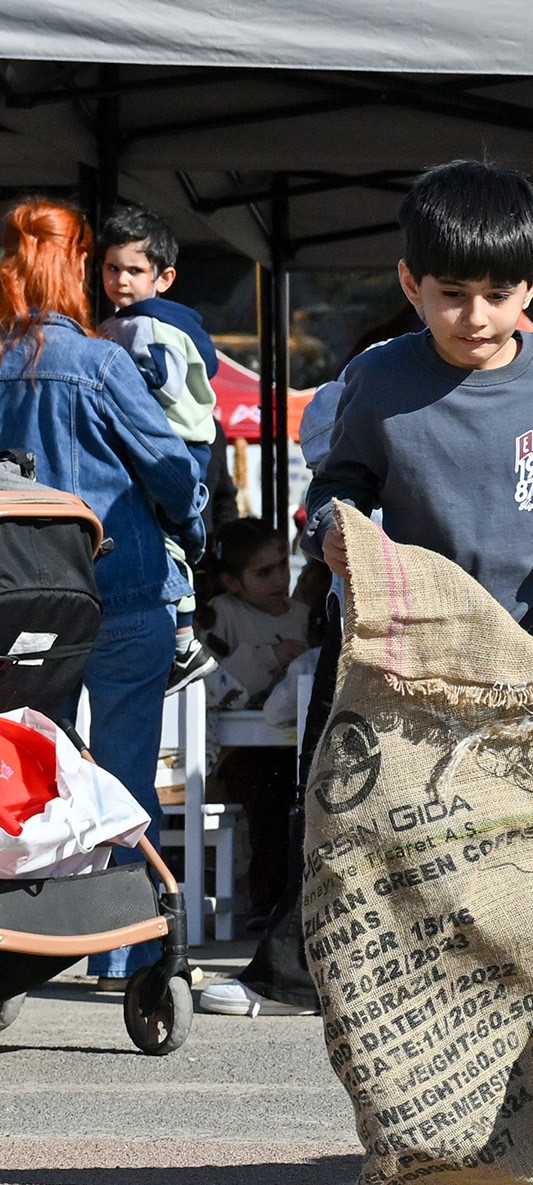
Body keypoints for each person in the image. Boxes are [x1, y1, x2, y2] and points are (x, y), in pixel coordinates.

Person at [307, 161, 533, 651]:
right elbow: (338, 485)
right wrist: (332, 531)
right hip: (422, 651)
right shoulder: (378, 379)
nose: (476, 317)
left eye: (498, 295)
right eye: (452, 293)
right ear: (411, 284)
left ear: (530, 285)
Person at [0, 200, 206, 988]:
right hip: (120, 588)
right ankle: (127, 950)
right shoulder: (101, 362)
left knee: (22, 770)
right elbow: (172, 470)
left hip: (17, 599)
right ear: (75, 268)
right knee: (120, 773)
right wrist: (189, 530)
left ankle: (25, 940)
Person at [95, 204, 218, 686]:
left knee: (167, 540)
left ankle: (185, 643)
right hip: (177, 443)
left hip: (170, 447)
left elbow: (158, 385)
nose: (120, 280)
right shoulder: (143, 320)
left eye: (133, 270)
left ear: (163, 278)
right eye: (111, 267)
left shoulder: (142, 324)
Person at [198, 519, 309, 934]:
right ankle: (268, 897)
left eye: (283, 565)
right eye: (264, 572)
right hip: (237, 752)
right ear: (232, 581)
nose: (281, 578)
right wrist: (271, 656)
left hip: (293, 743)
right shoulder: (222, 616)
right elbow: (213, 682)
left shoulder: (305, 616)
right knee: (269, 789)